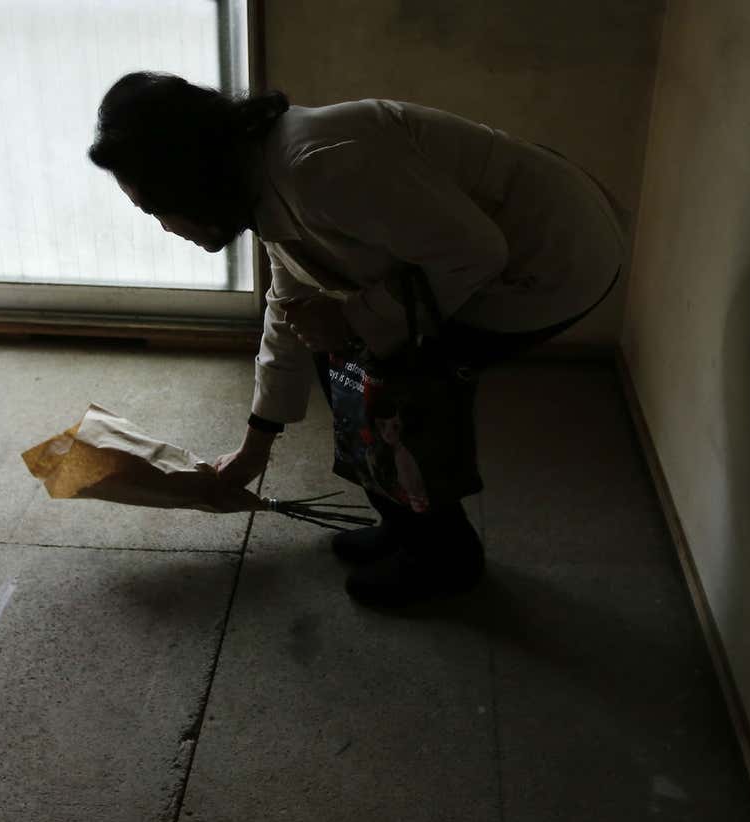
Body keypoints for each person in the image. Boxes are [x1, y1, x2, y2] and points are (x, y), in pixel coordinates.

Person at [88, 72, 626, 606]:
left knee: (403, 385)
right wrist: (256, 445)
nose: (164, 227)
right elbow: (289, 310)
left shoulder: (317, 165)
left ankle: (446, 559)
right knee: (346, 358)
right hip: (476, 257)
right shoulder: (261, 176)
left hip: (548, 259)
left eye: (156, 209)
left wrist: (355, 320)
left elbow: (475, 254)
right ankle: (404, 526)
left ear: (188, 179)